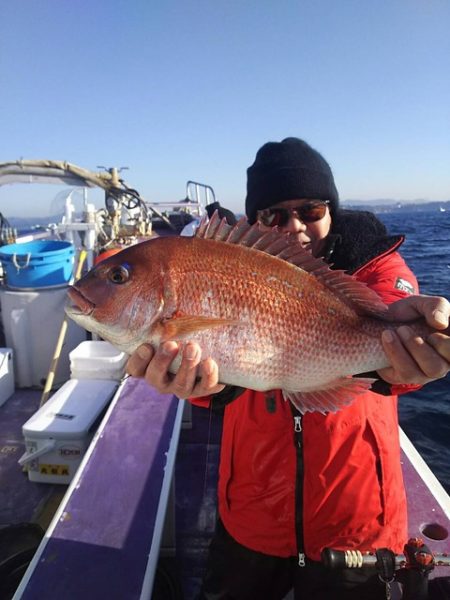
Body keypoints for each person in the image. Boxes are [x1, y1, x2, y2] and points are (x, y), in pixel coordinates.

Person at [127, 138, 450, 599]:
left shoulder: (377, 268)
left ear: (331, 210)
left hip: (356, 524)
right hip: (252, 516)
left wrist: (412, 361)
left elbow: (394, 327)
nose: (295, 226)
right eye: (274, 215)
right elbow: (219, 371)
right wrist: (199, 385)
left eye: (311, 210)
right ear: (255, 221)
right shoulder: (229, 266)